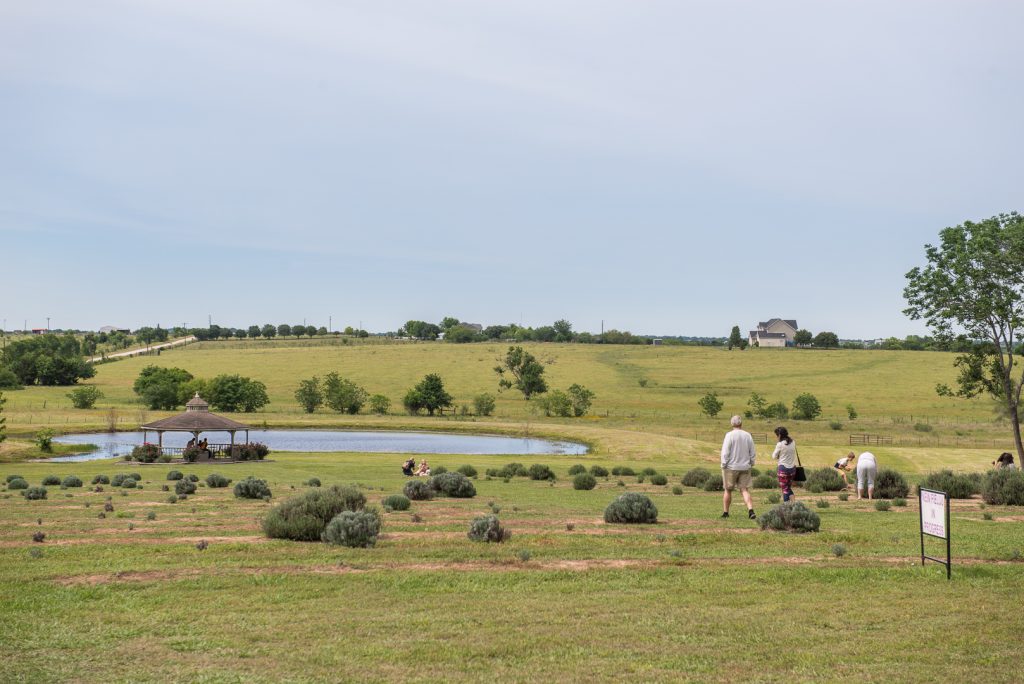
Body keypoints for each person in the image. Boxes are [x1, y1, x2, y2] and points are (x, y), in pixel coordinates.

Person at [720, 415, 756, 519]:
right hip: (745, 466)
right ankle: (750, 510)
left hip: (731, 467)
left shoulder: (729, 435)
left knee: (727, 490)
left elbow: (725, 452)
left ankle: (726, 512)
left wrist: (723, 464)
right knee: (744, 490)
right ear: (741, 424)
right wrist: (751, 462)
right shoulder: (747, 435)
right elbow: (752, 451)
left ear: (732, 424)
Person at [771, 426, 797, 502]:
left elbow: (774, 456)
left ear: (779, 435)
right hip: (792, 469)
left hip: (783, 469)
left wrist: (779, 455)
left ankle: (786, 507)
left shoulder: (780, 444)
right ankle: (793, 504)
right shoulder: (793, 442)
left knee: (785, 489)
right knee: (788, 488)